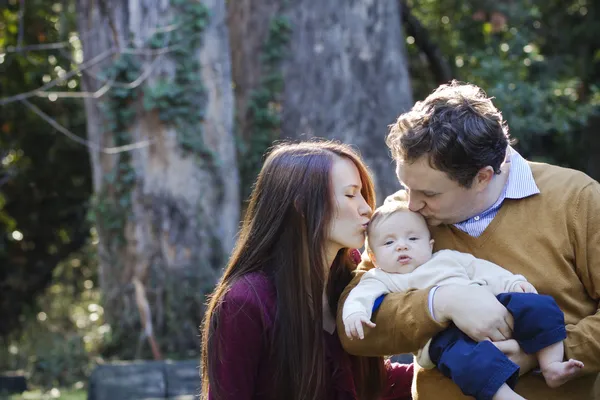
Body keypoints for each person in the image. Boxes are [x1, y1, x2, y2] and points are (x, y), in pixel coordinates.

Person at [337, 80, 600, 399]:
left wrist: (540, 354)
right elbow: (354, 331)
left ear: (482, 177)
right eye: (407, 187)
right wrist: (441, 302)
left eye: (429, 193)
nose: (412, 204)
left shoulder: (577, 200)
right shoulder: (398, 221)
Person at [200, 141, 413, 400]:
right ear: (301, 206)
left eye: (362, 193)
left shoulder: (353, 274)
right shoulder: (244, 303)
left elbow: (373, 382)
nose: (366, 208)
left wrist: (450, 369)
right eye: (350, 194)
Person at [342, 200, 583, 400]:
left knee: (538, 305)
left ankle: (551, 365)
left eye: (412, 239)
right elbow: (360, 296)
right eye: (389, 242)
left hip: (490, 304)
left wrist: (512, 283)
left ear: (430, 244)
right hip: (441, 337)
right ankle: (505, 396)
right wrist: (355, 313)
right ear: (373, 257)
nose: (402, 246)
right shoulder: (382, 277)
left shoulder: (447, 258)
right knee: (466, 362)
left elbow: (485, 271)